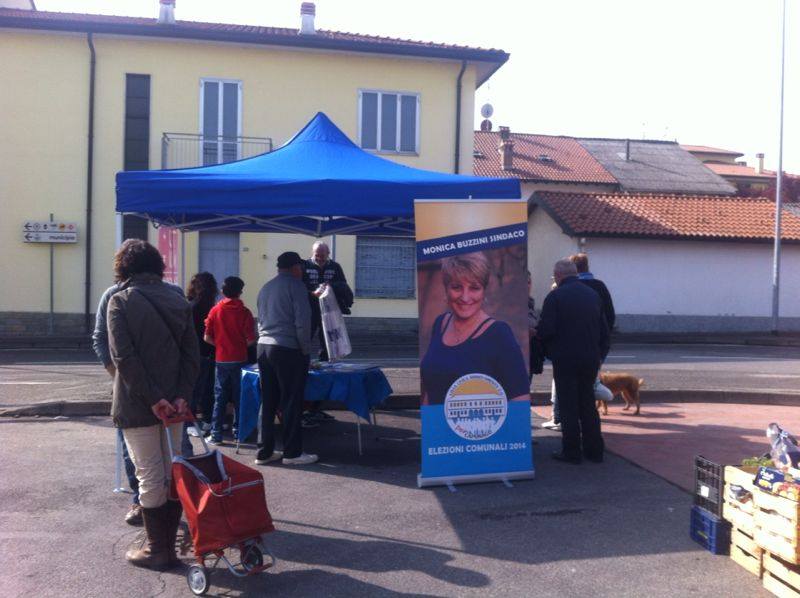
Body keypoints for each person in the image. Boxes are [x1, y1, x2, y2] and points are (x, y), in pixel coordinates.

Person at [107, 239, 200, 570]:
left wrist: (153, 399)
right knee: (170, 471)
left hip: (138, 404)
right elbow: (192, 355)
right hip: (175, 404)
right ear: (157, 265)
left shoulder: (120, 301)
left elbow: (123, 358)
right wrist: (180, 395)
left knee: (148, 474)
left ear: (124, 267)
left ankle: (158, 549)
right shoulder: (178, 300)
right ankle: (166, 546)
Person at [92, 260, 185, 526]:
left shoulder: (172, 294)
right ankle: (142, 505)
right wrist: (119, 377)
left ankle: (163, 531)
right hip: (145, 390)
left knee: (166, 463)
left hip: (163, 392)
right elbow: (104, 342)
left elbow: (186, 347)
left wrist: (179, 391)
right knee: (149, 462)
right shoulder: (115, 295)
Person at [420, 252, 530, 405]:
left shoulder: (499, 335)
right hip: (436, 421)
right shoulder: (440, 324)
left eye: (474, 288)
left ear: (484, 290)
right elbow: (430, 389)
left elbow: (520, 401)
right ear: (446, 289)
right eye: (456, 287)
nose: (465, 297)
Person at [538, 259, 609, 464]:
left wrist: (544, 346)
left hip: (565, 358)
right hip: (590, 358)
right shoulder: (593, 295)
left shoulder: (555, 296)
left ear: (558, 275)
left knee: (568, 405)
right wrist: (599, 355)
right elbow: (604, 331)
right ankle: (594, 451)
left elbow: (547, 330)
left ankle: (572, 451)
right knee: (588, 403)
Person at [255, 251, 318, 466]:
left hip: (263, 346)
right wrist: (305, 350)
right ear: (295, 268)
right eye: (300, 268)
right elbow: (303, 321)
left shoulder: (266, 287)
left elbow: (260, 319)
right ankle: (292, 453)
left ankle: (264, 451)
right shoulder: (296, 286)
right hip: (287, 347)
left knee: (268, 400)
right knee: (292, 400)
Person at [203, 276, 256, 446]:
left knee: (220, 397)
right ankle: (239, 432)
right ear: (240, 292)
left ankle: (216, 434)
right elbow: (251, 340)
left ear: (222, 291)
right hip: (240, 358)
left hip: (222, 358)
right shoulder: (245, 312)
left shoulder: (215, 310)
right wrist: (238, 345)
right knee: (240, 397)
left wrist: (221, 345)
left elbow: (206, 337)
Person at [302, 241, 349, 362]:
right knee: (305, 336)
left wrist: (331, 286)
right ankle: (301, 361)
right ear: (312, 253)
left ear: (328, 253)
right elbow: (298, 286)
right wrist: (311, 292)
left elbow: (343, 284)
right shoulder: (305, 265)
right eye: (317, 255)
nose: (319, 258)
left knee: (327, 338)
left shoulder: (335, 266)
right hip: (309, 309)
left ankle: (325, 362)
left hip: (329, 310)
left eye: (322, 255)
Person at [186, 272, 218, 432]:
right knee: (207, 388)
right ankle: (206, 419)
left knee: (194, 389)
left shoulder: (191, 306)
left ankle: (190, 422)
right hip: (209, 350)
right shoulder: (212, 307)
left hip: (194, 352)